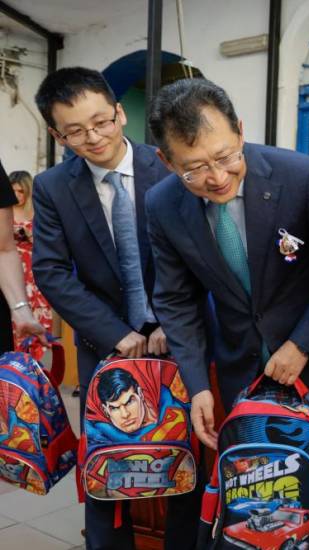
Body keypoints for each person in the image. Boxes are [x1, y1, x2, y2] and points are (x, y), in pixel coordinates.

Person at [145, 78, 309, 482]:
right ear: (167, 161)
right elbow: (176, 300)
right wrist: (198, 387)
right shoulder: (163, 205)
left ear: (240, 130)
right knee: (260, 497)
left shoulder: (303, 178)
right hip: (240, 377)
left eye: (225, 156)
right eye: (194, 168)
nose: (216, 177)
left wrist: (301, 345)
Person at [32, 67, 198, 550]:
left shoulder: (169, 166)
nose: (94, 137)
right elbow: (53, 272)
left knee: (184, 457)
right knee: (107, 466)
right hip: (108, 346)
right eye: (76, 131)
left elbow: (196, 254)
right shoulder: (53, 188)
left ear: (120, 112)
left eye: (101, 122)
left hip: (181, 337)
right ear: (56, 134)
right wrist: (116, 334)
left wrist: (171, 320)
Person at [0, 161, 45, 352]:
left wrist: (20, 309)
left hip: (24, 271)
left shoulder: (34, 213)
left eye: (21, 191)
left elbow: (3, 248)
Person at [9, 170, 53, 349]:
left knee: (37, 312)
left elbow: (49, 244)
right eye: (13, 191)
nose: (17, 195)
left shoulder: (38, 213)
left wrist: (30, 235)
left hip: (34, 271)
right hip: (10, 271)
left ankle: (33, 361)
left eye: (21, 191)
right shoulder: (4, 213)